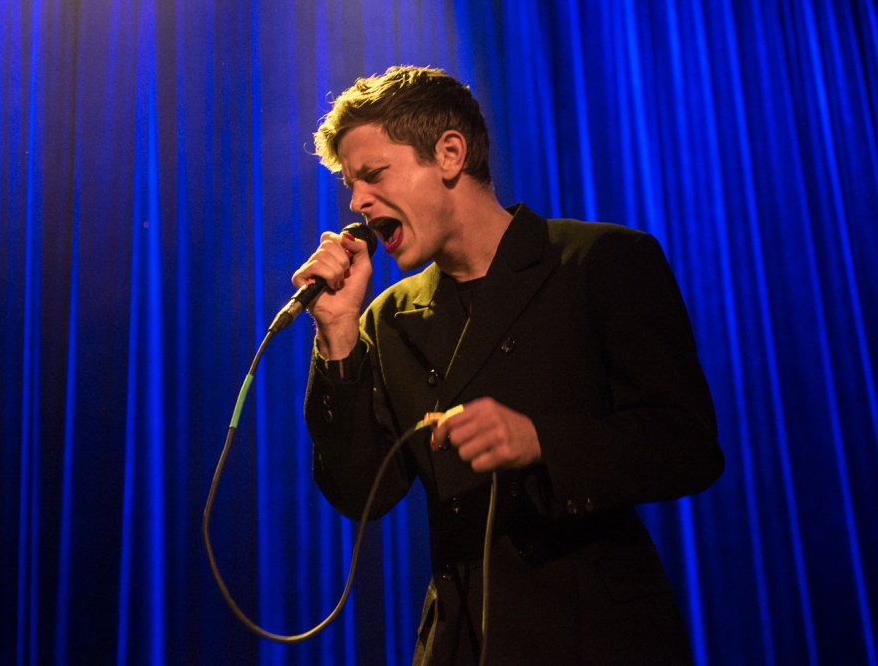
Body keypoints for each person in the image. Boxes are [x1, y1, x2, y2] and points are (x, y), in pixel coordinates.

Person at [292, 65, 723, 665]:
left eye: (373, 175)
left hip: (595, 636)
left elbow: (688, 445)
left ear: (448, 154)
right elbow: (362, 493)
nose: (358, 202)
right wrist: (338, 334)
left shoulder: (599, 263)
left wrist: (539, 440)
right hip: (461, 643)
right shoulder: (389, 316)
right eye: (350, 187)